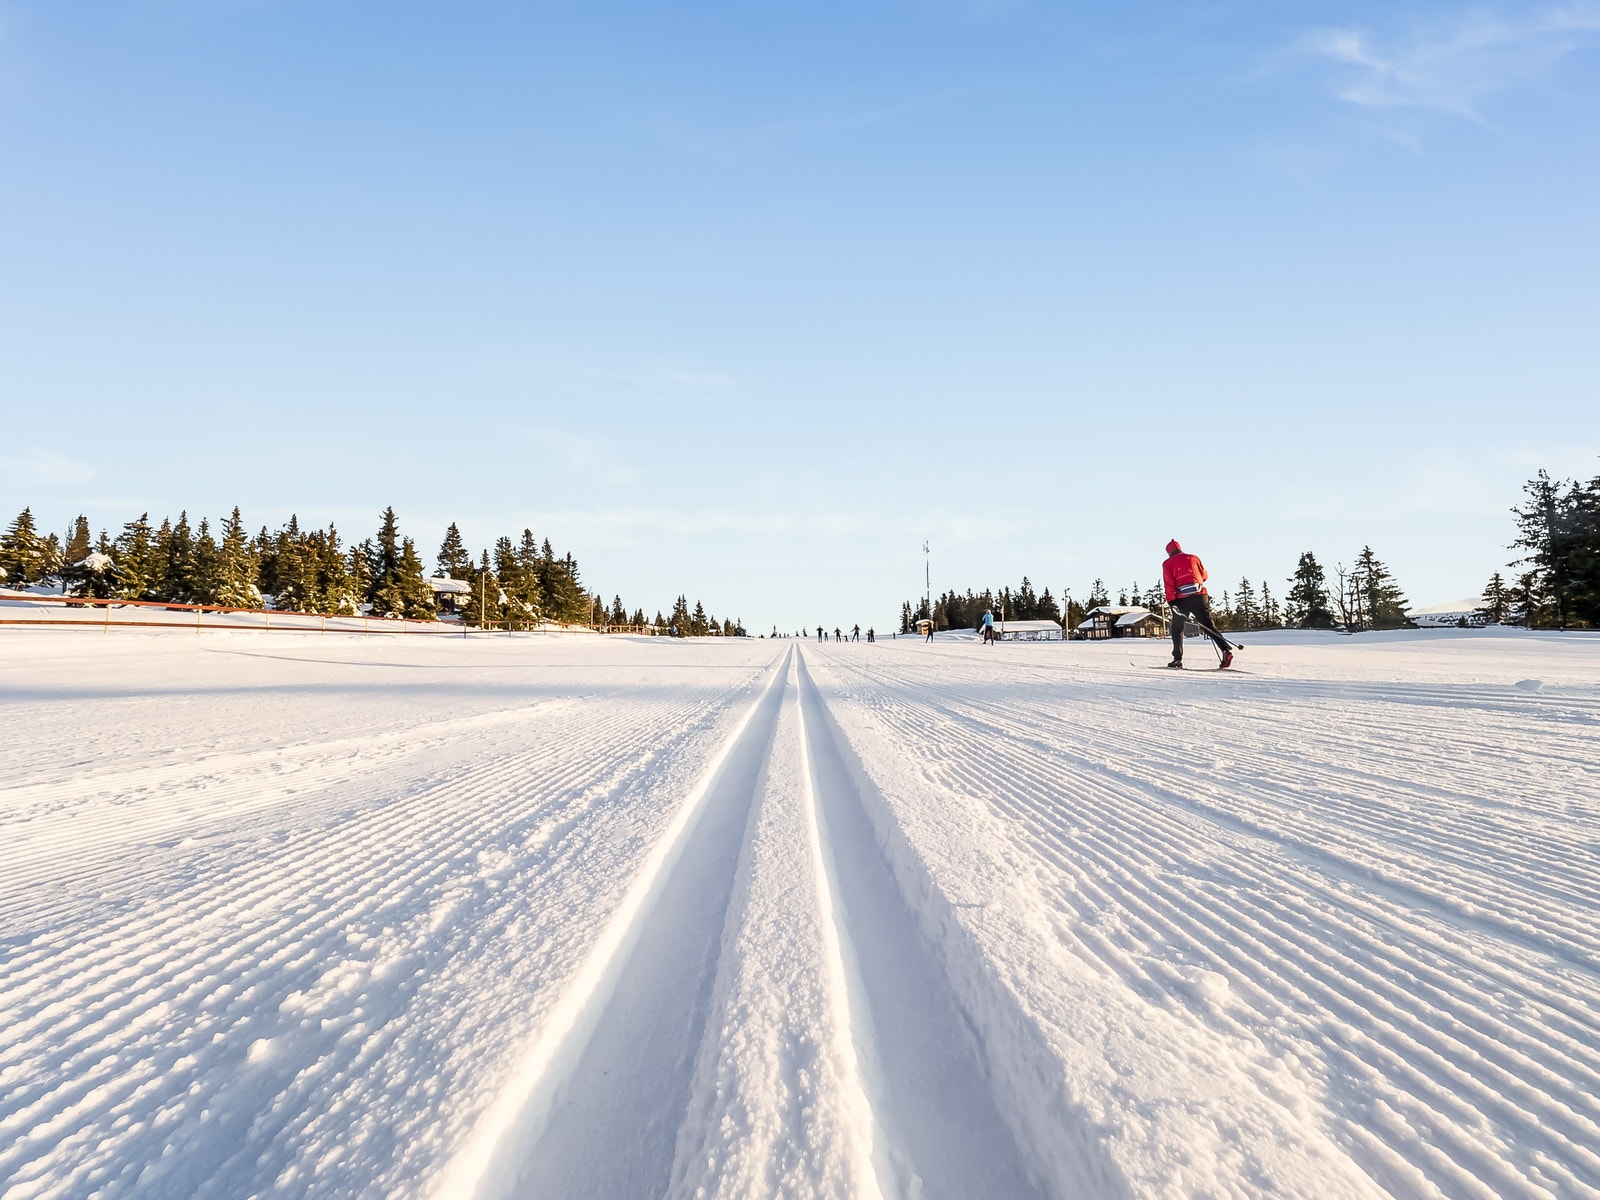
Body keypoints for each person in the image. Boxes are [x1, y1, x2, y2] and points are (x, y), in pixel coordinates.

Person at [1162, 539, 1235, 668]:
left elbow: (1169, 584)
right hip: (1200, 596)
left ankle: (1177, 659)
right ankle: (1225, 650)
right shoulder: (1194, 558)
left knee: (1177, 629)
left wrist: (1171, 603)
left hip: (1181, 599)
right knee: (1208, 625)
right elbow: (1204, 576)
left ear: (1169, 552)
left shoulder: (1168, 563)